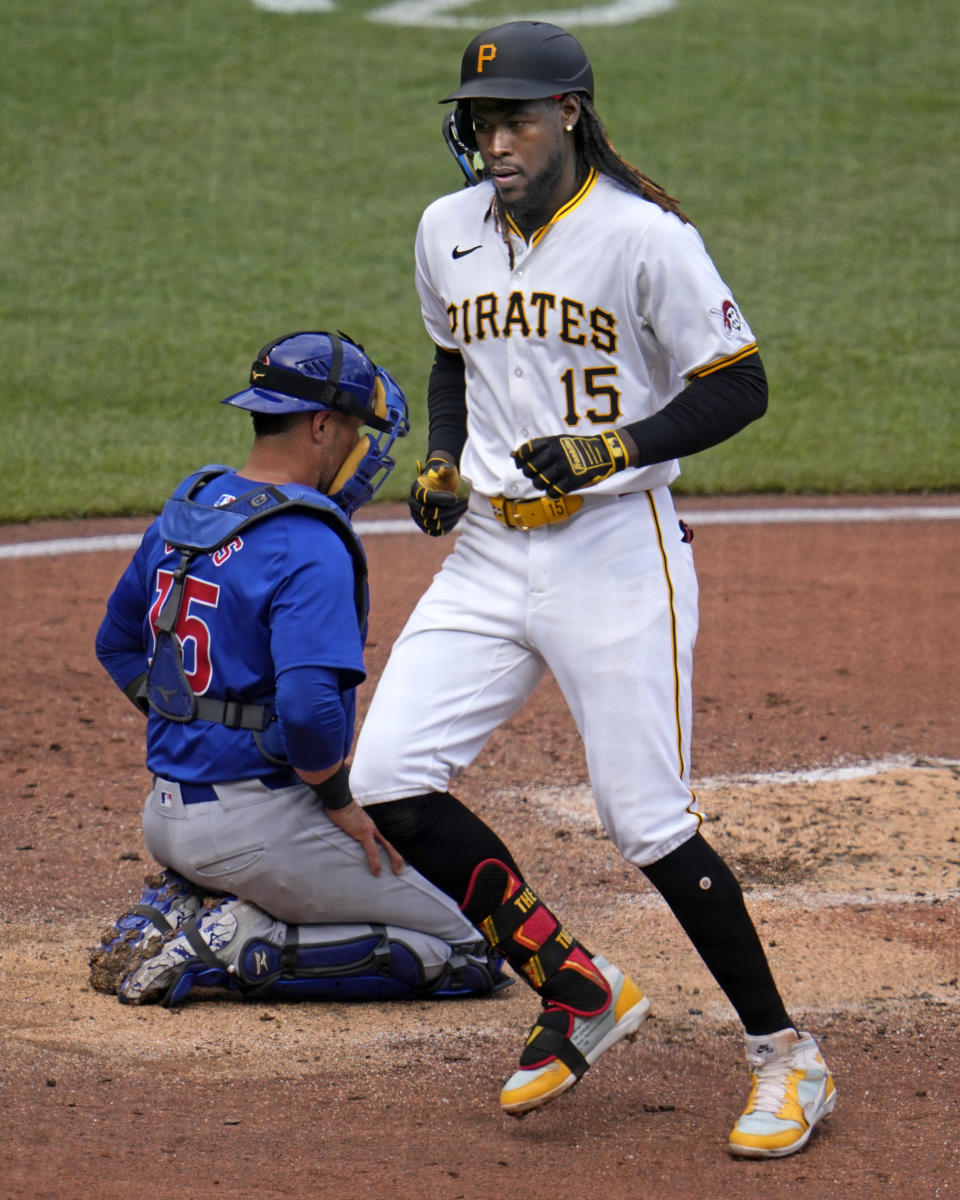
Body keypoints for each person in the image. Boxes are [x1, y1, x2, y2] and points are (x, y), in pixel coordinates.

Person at [349, 21, 836, 1159]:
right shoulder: (445, 228)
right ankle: (577, 989)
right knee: (390, 773)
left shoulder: (644, 237)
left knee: (646, 820)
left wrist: (611, 449)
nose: (496, 140)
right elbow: (454, 356)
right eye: (480, 121)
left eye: (516, 117)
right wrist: (443, 461)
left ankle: (786, 1056)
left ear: (569, 113)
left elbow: (740, 383)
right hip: (488, 556)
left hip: (617, 553)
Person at [91, 331, 507, 1008]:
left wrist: (195, 723)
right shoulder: (311, 542)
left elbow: (116, 643)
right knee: (473, 947)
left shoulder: (191, 502)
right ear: (320, 425)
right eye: (357, 430)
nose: (366, 450)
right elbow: (312, 714)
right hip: (254, 833)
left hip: (166, 815)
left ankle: (189, 897)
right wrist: (339, 803)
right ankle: (237, 937)